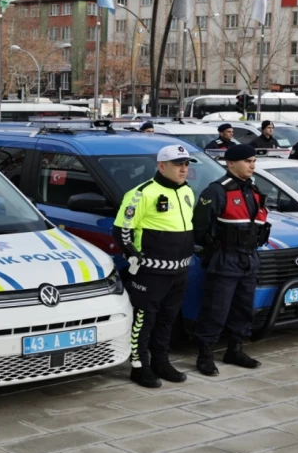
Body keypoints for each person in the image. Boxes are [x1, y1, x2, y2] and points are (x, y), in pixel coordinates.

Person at [113, 144, 197, 388]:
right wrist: (136, 258)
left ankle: (161, 361)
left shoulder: (187, 192)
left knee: (168, 319)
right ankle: (140, 366)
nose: (184, 169)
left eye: (186, 164)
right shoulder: (142, 193)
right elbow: (122, 231)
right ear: (161, 166)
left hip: (180, 270)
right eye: (178, 164)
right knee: (144, 319)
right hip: (151, 272)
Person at [193, 144, 267, 375]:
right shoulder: (217, 191)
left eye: (254, 161)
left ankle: (235, 350)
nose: (252, 165)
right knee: (216, 309)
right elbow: (199, 228)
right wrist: (214, 250)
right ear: (231, 163)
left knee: (243, 309)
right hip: (225, 258)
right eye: (247, 161)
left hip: (249, 258)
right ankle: (204, 355)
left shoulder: (253, 190)